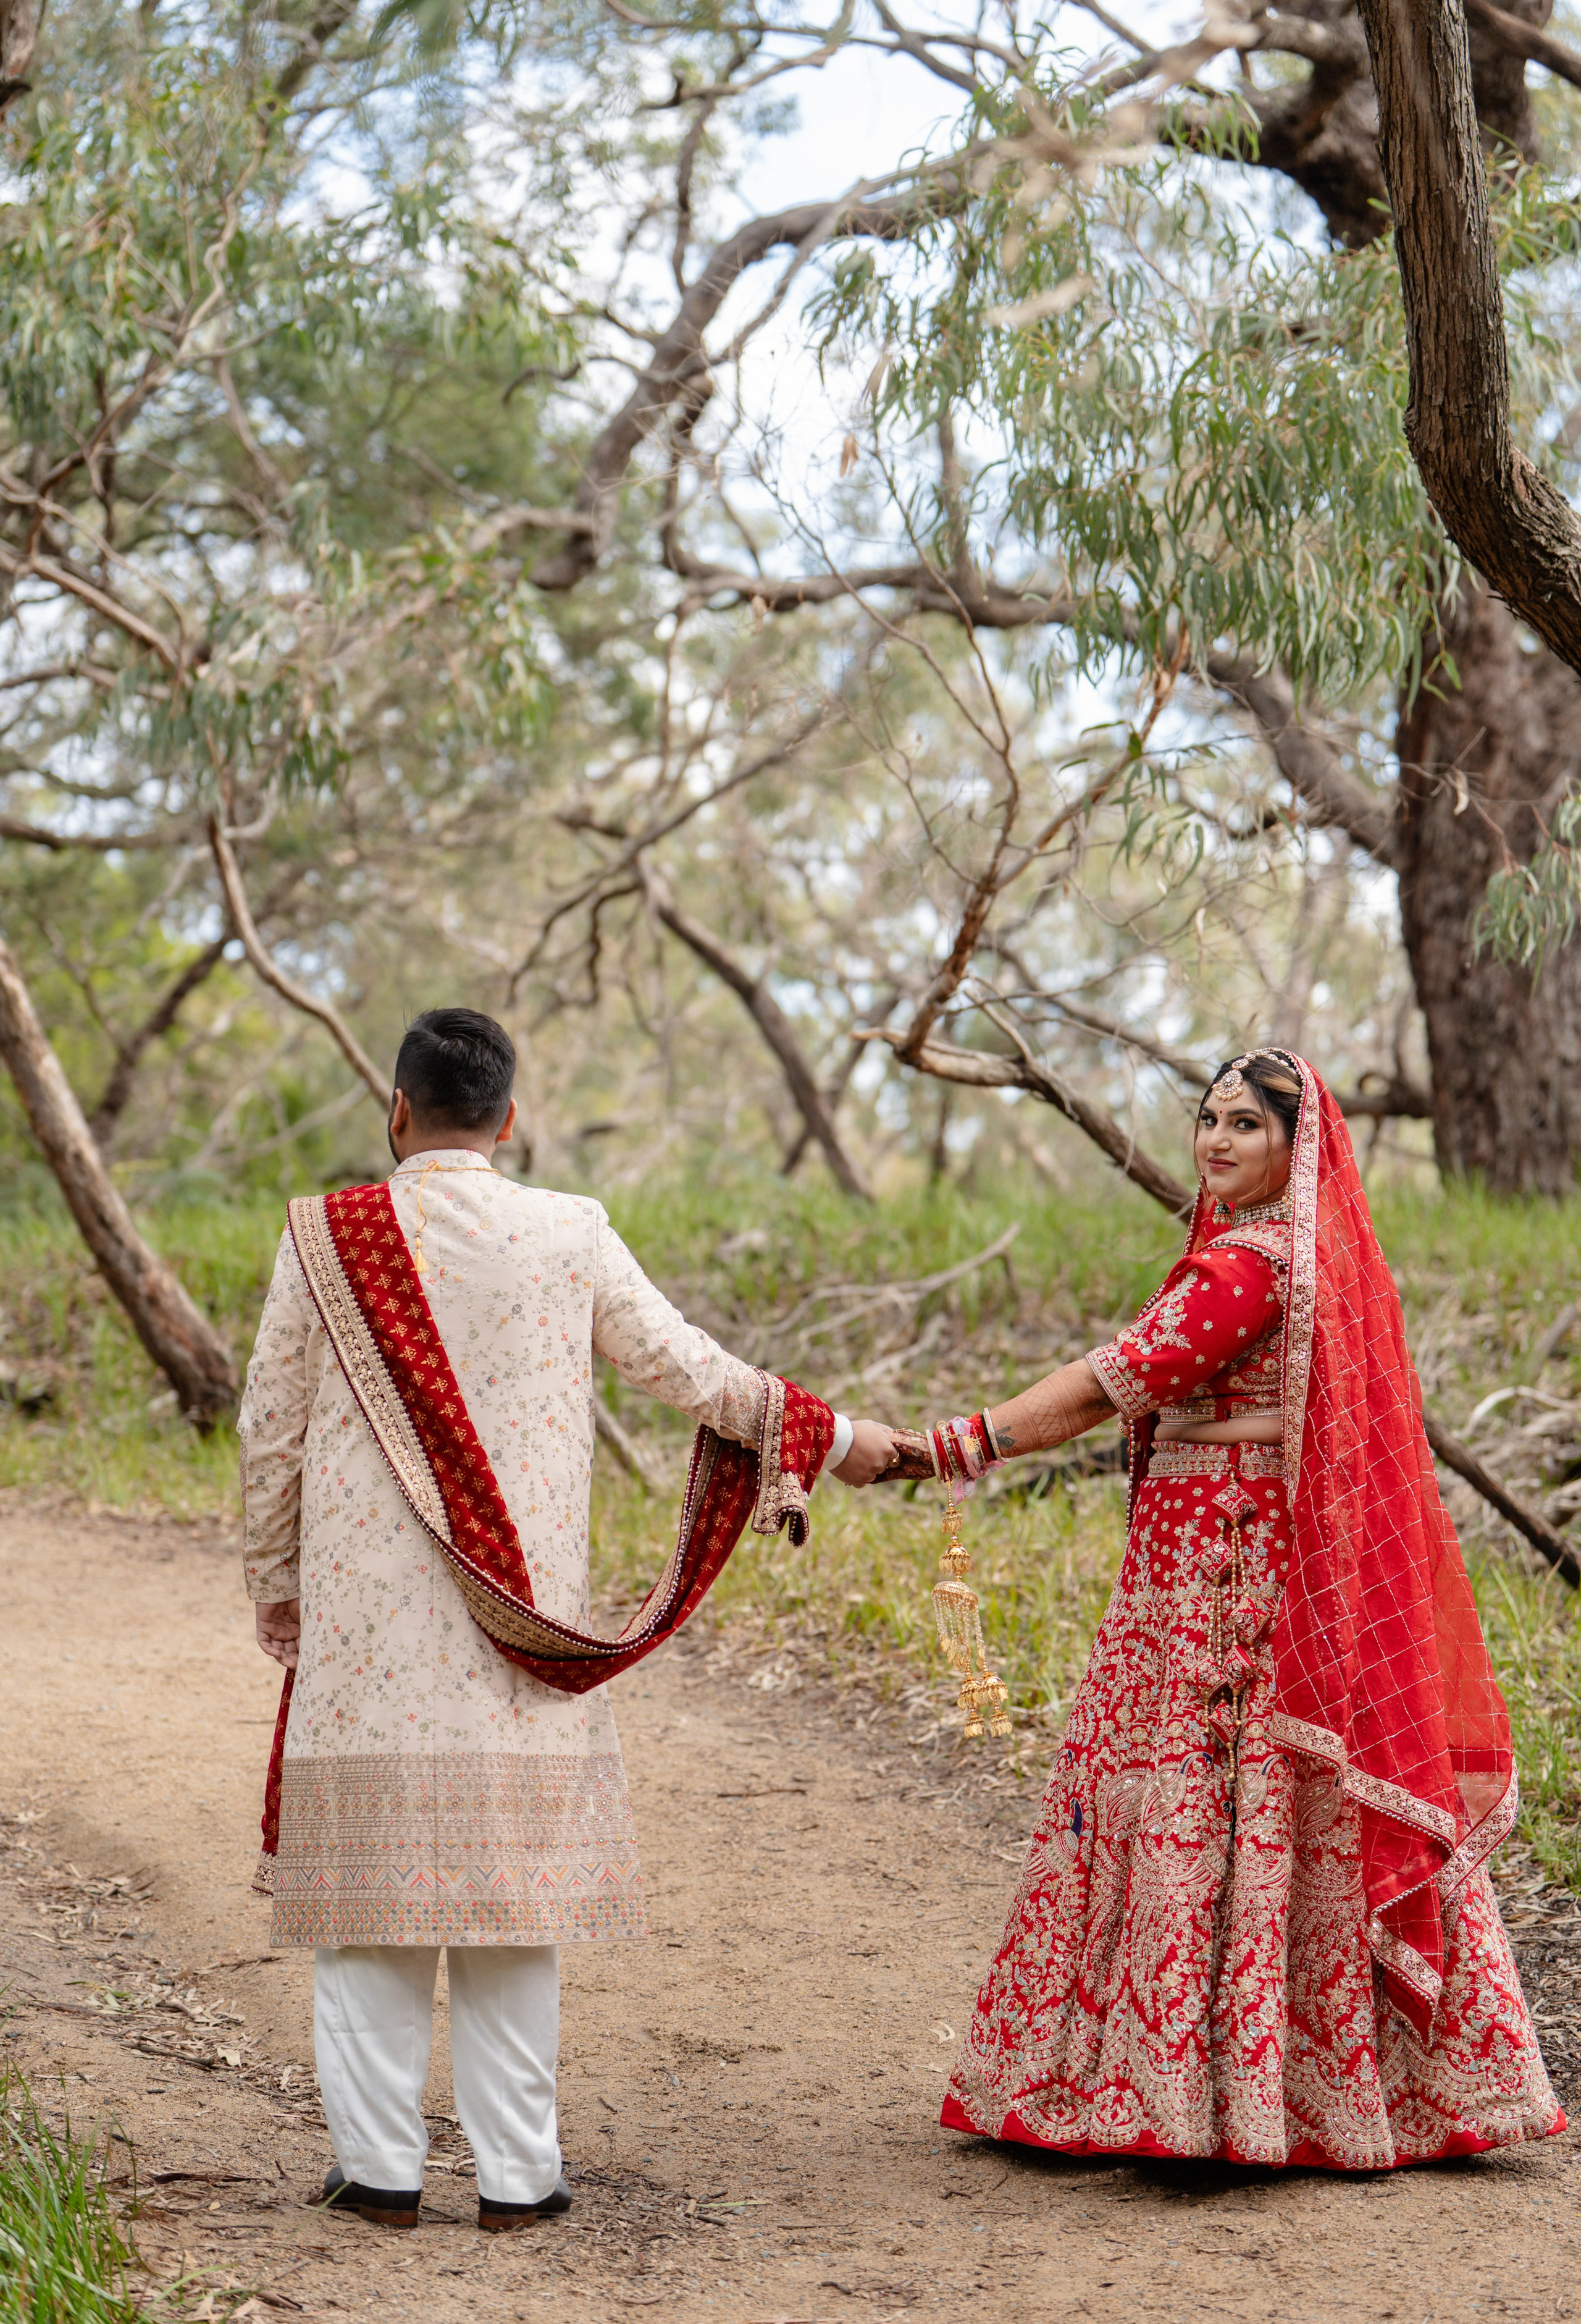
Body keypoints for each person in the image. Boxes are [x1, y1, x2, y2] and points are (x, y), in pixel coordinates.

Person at [239, 1007, 895, 2230]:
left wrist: (277, 1589)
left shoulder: (324, 1237)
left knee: (370, 1910)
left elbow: (268, 1430)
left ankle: (377, 2173)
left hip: (365, 1631)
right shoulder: (570, 1232)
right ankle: (517, 2178)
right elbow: (693, 1372)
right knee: (508, 1903)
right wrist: (837, 1438)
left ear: (396, 1111)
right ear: (510, 1117)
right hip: (518, 1631)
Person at [880, 1048, 1563, 2169]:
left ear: (1300, 1147)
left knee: (1206, 1787)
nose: (1216, 1139)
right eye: (1207, 1118)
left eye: (1246, 1123)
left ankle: (1199, 2097)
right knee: (1252, 1803)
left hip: (1227, 1583)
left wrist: (954, 1445)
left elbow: (1114, 1382)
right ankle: (1311, 2090)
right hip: (1213, 1556)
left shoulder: (1251, 1268)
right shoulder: (1290, 1257)